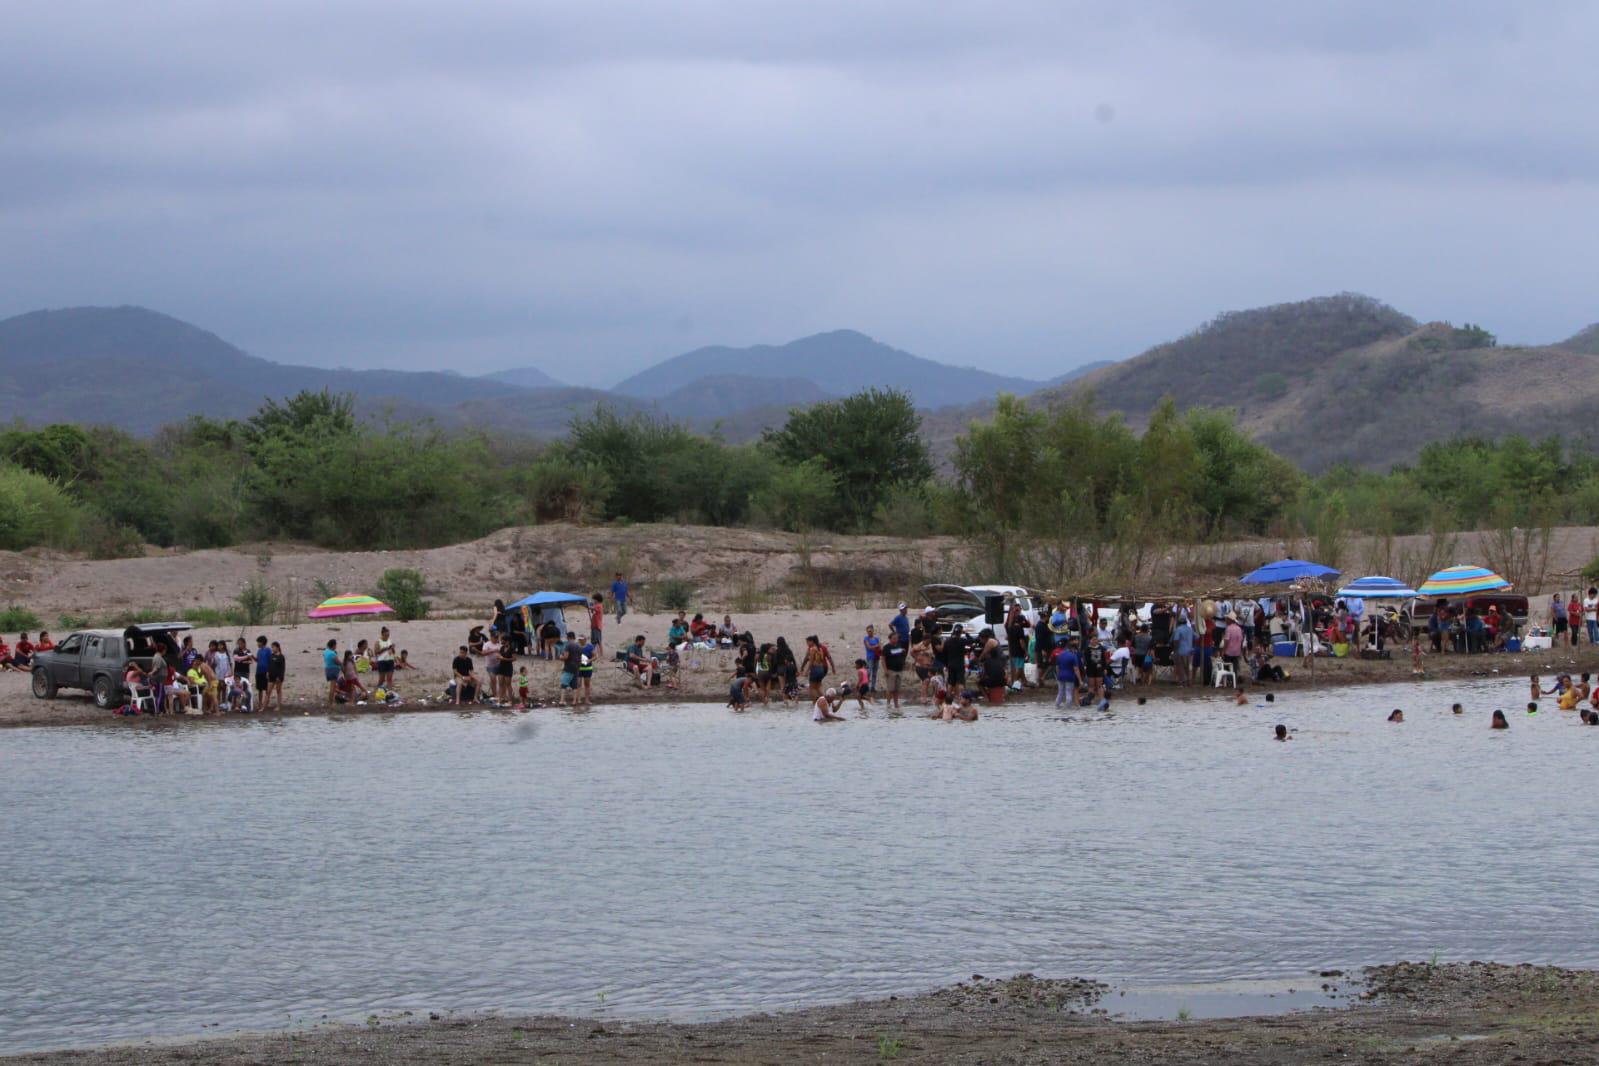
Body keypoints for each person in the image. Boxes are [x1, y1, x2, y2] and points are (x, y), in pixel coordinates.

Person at [880, 629, 907, 711]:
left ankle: (896, 704)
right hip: (891, 670)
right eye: (894, 638)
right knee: (890, 689)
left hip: (899, 670)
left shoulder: (899, 645)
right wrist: (885, 670)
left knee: (897, 689)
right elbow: (883, 659)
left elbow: (901, 655)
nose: (896, 639)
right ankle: (888, 704)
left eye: (897, 638)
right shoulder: (886, 647)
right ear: (890, 639)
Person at [1055, 637, 1081, 708]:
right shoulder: (1073, 656)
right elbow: (1076, 669)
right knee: (1068, 692)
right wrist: (1080, 680)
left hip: (1060, 676)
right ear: (1072, 649)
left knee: (1060, 692)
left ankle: (1057, 706)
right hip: (1070, 676)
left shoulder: (1060, 655)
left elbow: (1057, 667)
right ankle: (1068, 709)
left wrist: (1058, 675)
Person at [1173, 614, 1195, 686]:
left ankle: (1184, 682)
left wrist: (1176, 649)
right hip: (1190, 651)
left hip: (1181, 651)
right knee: (1189, 667)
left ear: (1179, 622)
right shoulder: (1190, 629)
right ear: (1185, 622)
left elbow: (1176, 640)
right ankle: (1189, 682)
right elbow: (1197, 637)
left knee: (1181, 667)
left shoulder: (1178, 629)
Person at [559, 637, 582, 706]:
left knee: (563, 684)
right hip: (576, 667)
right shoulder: (579, 646)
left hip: (569, 667)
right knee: (575, 685)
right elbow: (580, 658)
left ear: (568, 638)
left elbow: (566, 657)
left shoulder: (568, 645)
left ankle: (562, 701)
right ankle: (574, 701)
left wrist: (560, 657)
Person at [373, 626, 396, 691]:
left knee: (389, 678)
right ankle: (377, 690)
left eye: (388, 635)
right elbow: (376, 652)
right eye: (386, 635)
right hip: (382, 661)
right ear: (382, 634)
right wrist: (385, 648)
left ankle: (390, 692)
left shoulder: (389, 641)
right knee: (382, 679)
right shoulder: (378, 641)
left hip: (390, 660)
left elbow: (393, 652)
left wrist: (392, 648)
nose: (387, 636)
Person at [494, 636, 515, 704]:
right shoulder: (502, 648)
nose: (501, 641)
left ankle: (510, 700)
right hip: (501, 667)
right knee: (500, 684)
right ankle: (500, 699)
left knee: (508, 684)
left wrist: (504, 659)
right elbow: (500, 656)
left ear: (507, 641)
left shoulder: (512, 649)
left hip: (508, 667)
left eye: (503, 640)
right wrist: (498, 657)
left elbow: (514, 658)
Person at [267, 641, 286, 711]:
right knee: (268, 690)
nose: (272, 649)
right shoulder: (271, 655)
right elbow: (269, 665)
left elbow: (282, 668)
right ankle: (267, 703)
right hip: (271, 676)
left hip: (278, 677)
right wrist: (268, 672)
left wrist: (280, 677)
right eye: (272, 647)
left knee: (278, 691)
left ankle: (278, 705)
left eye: (273, 647)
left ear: (277, 647)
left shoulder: (281, 656)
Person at [862, 625, 881, 691]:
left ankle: (873, 687)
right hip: (870, 657)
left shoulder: (876, 638)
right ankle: (866, 686)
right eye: (868, 631)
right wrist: (876, 646)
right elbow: (869, 647)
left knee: (875, 673)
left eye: (870, 631)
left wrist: (875, 646)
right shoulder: (866, 639)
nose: (869, 632)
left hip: (876, 656)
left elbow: (879, 646)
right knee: (869, 672)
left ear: (873, 630)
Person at [322, 639, 340, 705]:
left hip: (327, 669)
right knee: (332, 687)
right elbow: (338, 662)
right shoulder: (332, 653)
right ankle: (330, 703)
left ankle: (331, 701)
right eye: (336, 645)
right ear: (333, 645)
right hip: (333, 670)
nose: (336, 646)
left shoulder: (326, 651)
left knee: (332, 687)